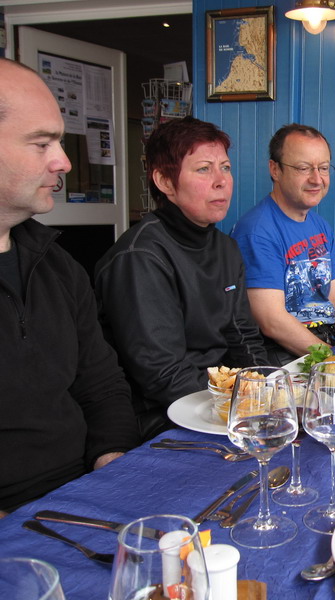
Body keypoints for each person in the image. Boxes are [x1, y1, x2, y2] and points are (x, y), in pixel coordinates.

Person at [0, 58, 139, 513]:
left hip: (84, 490)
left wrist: (112, 463)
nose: (63, 161)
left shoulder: (57, 264)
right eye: (42, 143)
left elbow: (101, 385)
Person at [95, 117, 269, 439]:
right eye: (204, 169)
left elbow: (243, 335)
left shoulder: (226, 247)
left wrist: (265, 391)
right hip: (163, 416)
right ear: (164, 181)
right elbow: (162, 373)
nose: (221, 181)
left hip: (223, 404)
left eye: (226, 168)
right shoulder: (140, 257)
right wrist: (237, 409)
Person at [232, 123, 335, 365]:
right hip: (283, 358)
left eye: (323, 168)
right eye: (303, 168)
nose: (316, 179)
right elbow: (272, 322)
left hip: (325, 345)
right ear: (275, 169)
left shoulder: (320, 226)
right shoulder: (257, 231)